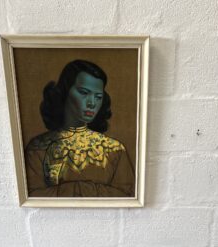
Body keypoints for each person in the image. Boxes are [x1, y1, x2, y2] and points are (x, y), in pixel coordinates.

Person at [25, 60, 135, 198]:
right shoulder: (38, 148)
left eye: (98, 97)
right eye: (84, 93)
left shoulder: (115, 149)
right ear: (65, 92)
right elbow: (32, 197)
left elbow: (127, 196)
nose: (92, 103)